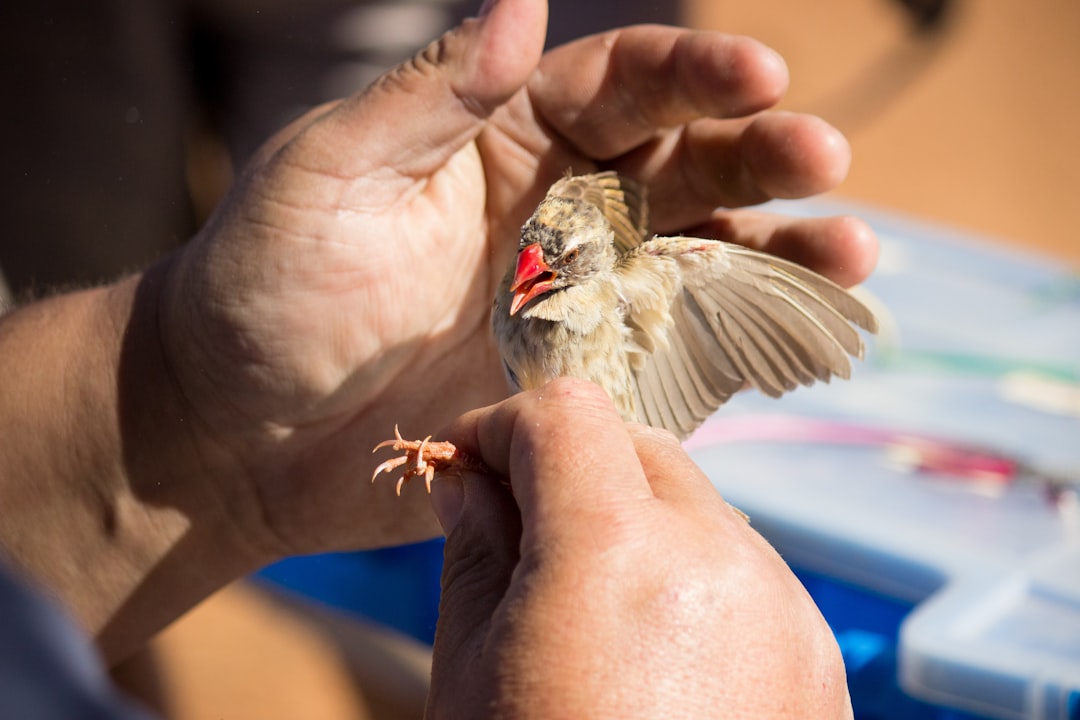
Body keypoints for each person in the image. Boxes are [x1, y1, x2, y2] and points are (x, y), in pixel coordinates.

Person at [0, 0, 876, 715]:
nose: (530, 272)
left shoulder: (642, 276)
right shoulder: (525, 269)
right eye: (529, 251)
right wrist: (191, 403)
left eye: (556, 262)